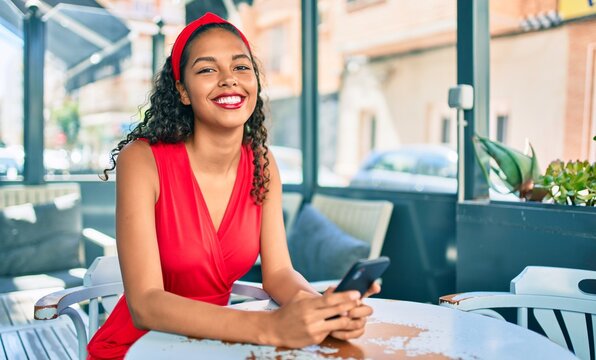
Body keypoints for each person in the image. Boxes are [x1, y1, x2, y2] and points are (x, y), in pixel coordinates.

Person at [88, 12, 380, 359]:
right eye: (207, 69)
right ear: (182, 91)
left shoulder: (262, 164)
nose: (229, 79)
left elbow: (278, 273)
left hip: (217, 346)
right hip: (136, 348)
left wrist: (319, 311)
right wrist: (271, 328)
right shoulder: (141, 160)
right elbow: (145, 304)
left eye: (241, 67)